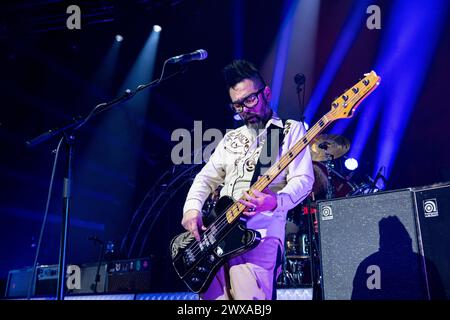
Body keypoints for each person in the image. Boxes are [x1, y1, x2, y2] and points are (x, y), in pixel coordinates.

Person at [181, 59, 314, 300]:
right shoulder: (231, 138)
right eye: (237, 105)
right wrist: (191, 210)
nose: (245, 110)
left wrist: (274, 202)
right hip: (216, 239)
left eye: (250, 100)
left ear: (266, 93)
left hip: (258, 237)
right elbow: (205, 178)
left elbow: (303, 180)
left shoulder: (287, 130)